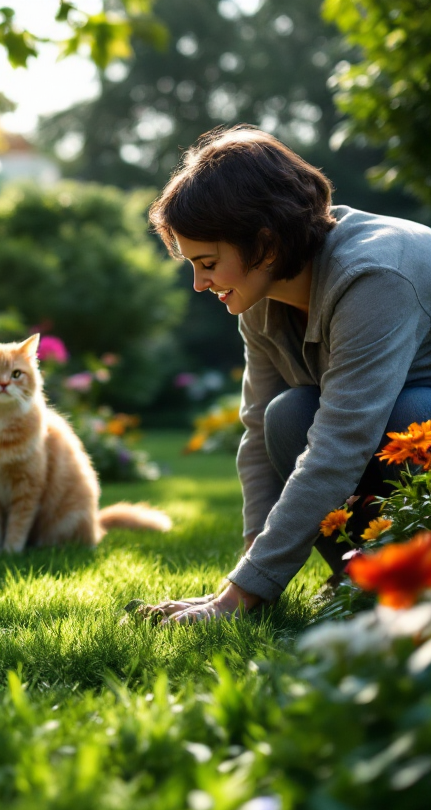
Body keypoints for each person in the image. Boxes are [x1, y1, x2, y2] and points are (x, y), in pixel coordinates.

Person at [143, 125, 431, 623]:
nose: (198, 283)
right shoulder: (260, 295)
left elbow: (342, 442)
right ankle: (359, 578)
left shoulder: (373, 277)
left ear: (266, 245)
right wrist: (247, 577)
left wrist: (240, 597)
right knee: (285, 415)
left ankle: (404, 580)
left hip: (417, 422)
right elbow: (258, 430)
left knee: (408, 415)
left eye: (208, 263)